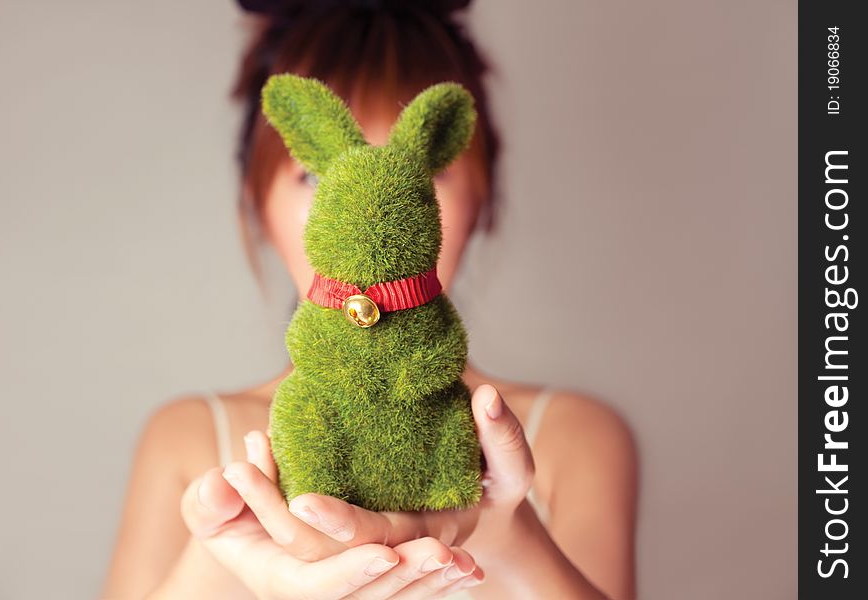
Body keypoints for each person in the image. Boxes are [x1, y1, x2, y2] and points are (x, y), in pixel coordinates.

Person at [101, 1, 638, 598]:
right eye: (313, 175)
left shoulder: (574, 436)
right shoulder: (185, 438)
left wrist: (504, 530)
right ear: (257, 204)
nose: (374, 206)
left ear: (480, 202)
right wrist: (222, 548)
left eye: (422, 175)